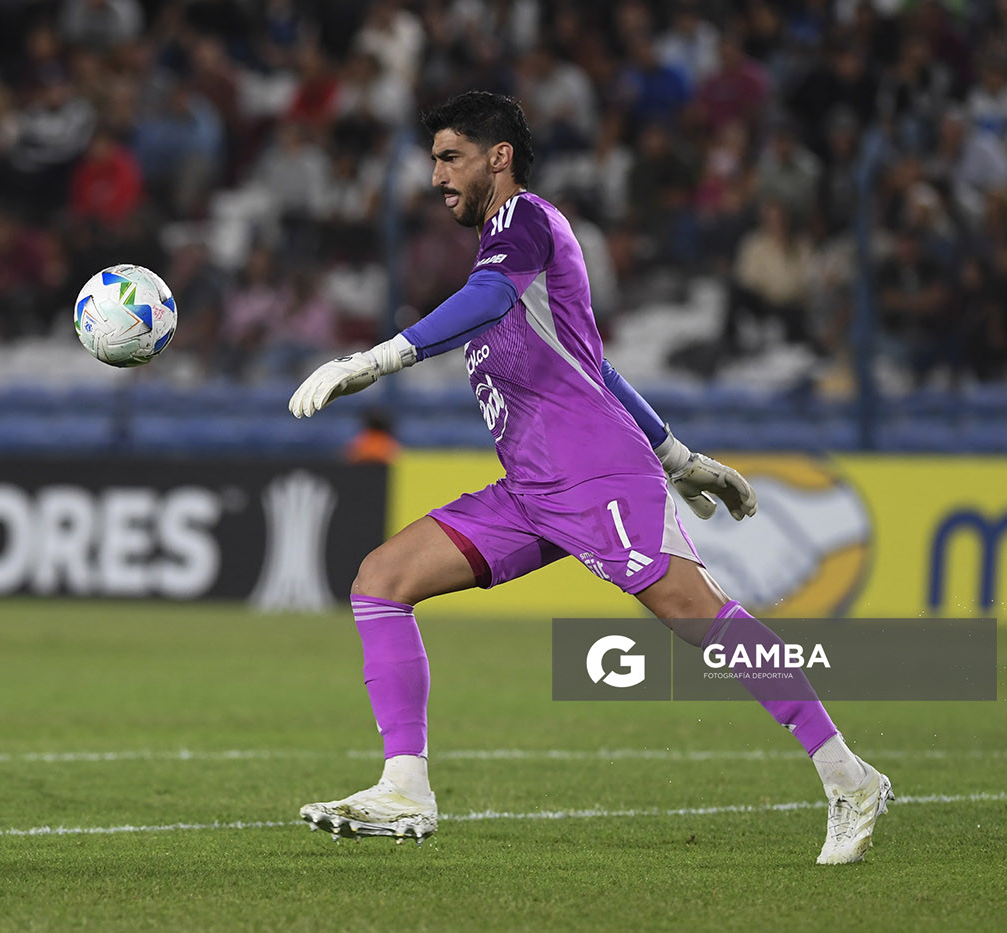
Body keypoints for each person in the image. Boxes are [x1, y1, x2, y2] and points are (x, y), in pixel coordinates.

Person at [287, 92, 891, 864]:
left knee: (695, 616)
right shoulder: (503, 254)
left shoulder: (525, 222)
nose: (436, 176)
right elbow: (595, 363)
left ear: (497, 157)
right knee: (381, 578)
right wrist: (680, 456)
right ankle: (405, 787)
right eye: (434, 159)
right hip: (531, 488)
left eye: (450, 157)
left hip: (593, 472)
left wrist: (376, 358)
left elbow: (491, 300)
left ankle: (848, 776)